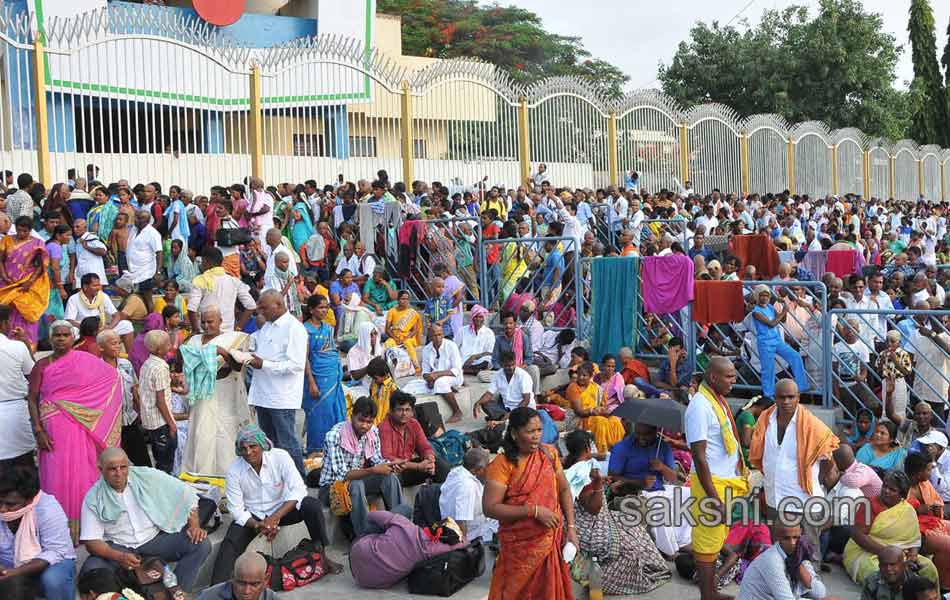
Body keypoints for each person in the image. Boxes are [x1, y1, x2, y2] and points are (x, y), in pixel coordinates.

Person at [28, 320, 122, 541]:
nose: (61, 338)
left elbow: (111, 379)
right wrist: (38, 430)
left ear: (73, 338)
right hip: (52, 432)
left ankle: (87, 529)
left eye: (65, 335)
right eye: (57, 335)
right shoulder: (41, 366)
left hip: (80, 429)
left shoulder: (85, 361)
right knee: (54, 476)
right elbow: (32, 399)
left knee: (82, 473)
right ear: (50, 339)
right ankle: (57, 530)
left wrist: (89, 412)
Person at [210, 425, 340, 584]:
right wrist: (259, 525)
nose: (248, 452)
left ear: (263, 445)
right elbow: (236, 509)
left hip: (283, 510)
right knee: (231, 541)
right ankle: (216, 588)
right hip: (255, 517)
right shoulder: (234, 470)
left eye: (253, 446)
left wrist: (275, 517)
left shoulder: (280, 457)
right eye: (243, 448)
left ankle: (323, 557)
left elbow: (299, 489)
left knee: (311, 506)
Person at [78, 448, 212, 594]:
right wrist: (119, 557)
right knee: (91, 570)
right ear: (100, 469)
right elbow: (92, 542)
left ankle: (177, 594)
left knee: (201, 544)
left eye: (123, 467)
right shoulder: (93, 497)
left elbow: (186, 493)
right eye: (112, 469)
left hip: (155, 541)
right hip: (119, 547)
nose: (119, 473)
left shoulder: (147, 476)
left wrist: (194, 526)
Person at [483, 406, 576, 600]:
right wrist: (533, 511)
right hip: (519, 547)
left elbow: (564, 489)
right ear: (515, 434)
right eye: (530, 431)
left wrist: (572, 528)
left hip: (551, 539)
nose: (536, 436)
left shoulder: (549, 454)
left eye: (539, 430)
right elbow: (490, 508)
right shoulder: (502, 464)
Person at [749, 379, 837, 568]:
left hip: (804, 500)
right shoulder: (766, 418)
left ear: (798, 397)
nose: (786, 401)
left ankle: (811, 591)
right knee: (779, 551)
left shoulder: (812, 424)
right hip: (775, 498)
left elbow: (829, 457)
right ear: (775, 398)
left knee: (809, 552)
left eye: (791, 397)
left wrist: (816, 480)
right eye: (782, 397)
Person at [685, 356, 750, 600]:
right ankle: (708, 596)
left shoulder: (717, 401)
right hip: (711, 486)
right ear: (713, 377)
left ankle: (711, 592)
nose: (733, 381)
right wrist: (714, 499)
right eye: (729, 376)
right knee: (706, 546)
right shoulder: (700, 406)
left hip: (725, 483)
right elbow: (699, 457)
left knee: (715, 542)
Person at [179, 306, 253, 477]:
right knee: (201, 433)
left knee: (224, 434)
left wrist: (223, 354)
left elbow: (237, 366)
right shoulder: (194, 341)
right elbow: (186, 362)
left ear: (220, 321)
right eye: (203, 321)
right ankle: (201, 477)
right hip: (202, 395)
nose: (206, 325)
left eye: (210, 321)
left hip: (224, 393)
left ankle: (229, 478)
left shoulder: (232, 339)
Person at [318, 397, 404, 537]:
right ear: (352, 416)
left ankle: (400, 527)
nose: (364, 425)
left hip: (355, 483)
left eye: (369, 422)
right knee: (356, 485)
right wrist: (372, 470)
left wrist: (390, 465)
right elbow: (342, 475)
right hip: (331, 488)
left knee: (390, 478)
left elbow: (376, 460)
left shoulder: (372, 432)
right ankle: (365, 537)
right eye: (361, 420)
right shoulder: (334, 435)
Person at [245, 290, 308, 476]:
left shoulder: (294, 328)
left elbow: (296, 365)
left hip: (281, 397)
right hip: (263, 395)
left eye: (264, 307)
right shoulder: (267, 327)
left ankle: (299, 485)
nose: (260, 311)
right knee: (269, 443)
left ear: (278, 305)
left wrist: (263, 364)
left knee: (286, 443)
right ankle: (276, 481)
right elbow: (258, 350)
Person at [843, 471, 939, 587]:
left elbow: (914, 538)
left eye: (892, 489)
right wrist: (888, 554)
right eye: (885, 486)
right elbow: (858, 535)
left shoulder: (907, 509)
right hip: (867, 552)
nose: (886, 491)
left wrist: (912, 557)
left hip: (901, 554)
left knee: (928, 568)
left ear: (902, 496)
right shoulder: (869, 505)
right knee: (880, 574)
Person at [0, 467, 76, 600]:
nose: (3, 509)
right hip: (6, 566)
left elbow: (54, 552)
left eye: (10, 504)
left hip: (50, 564)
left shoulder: (48, 509)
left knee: (53, 580)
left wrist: (14, 572)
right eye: (0, 502)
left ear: (29, 500)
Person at [349, 510, 465, 589]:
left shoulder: (403, 524)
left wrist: (390, 519)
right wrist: (458, 536)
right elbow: (464, 543)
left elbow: (371, 515)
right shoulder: (434, 550)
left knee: (403, 509)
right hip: (369, 581)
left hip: (357, 551)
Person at [97, 329, 150, 470]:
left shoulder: (126, 364)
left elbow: (134, 389)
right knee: (113, 464)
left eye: (118, 343)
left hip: (130, 420)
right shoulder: (96, 368)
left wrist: (141, 413)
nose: (118, 346)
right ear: (101, 347)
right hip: (110, 426)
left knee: (143, 463)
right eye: (113, 344)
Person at [737, 521, 830, 600]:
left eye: (796, 537)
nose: (792, 543)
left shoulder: (800, 552)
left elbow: (820, 593)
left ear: (801, 534)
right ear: (777, 538)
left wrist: (799, 565)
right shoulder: (772, 560)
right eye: (786, 538)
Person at [302, 294, 346, 455]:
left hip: (333, 374)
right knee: (319, 413)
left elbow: (332, 350)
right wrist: (311, 382)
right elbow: (304, 358)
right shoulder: (305, 330)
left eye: (326, 307)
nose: (324, 310)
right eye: (321, 307)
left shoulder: (328, 327)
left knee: (335, 410)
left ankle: (335, 446)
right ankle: (316, 448)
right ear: (312, 310)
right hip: (317, 378)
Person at [379, 390, 450, 486]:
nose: (404, 414)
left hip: (409, 468)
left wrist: (429, 459)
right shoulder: (384, 427)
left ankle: (438, 497)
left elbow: (424, 447)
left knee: (441, 467)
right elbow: (388, 458)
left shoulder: (413, 424)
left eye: (407, 410)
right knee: (393, 477)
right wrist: (417, 466)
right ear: (391, 411)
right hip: (393, 471)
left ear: (412, 412)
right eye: (399, 410)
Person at [750, 285, 809, 399]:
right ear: (758, 296)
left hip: (776, 340)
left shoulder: (770, 307)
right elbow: (771, 323)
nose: (765, 298)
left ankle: (802, 386)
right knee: (768, 369)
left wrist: (784, 306)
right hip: (765, 343)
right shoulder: (756, 311)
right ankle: (769, 395)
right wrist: (783, 311)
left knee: (795, 356)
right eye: (762, 295)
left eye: (767, 295)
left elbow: (782, 319)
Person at [0, 216, 50, 342]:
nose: (21, 233)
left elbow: (41, 265)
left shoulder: (37, 243)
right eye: (19, 230)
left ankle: (28, 343)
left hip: (26, 284)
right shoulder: (6, 240)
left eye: (25, 231)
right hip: (7, 283)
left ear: (30, 230)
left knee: (26, 312)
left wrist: (30, 281)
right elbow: (1, 259)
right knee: (6, 310)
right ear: (15, 228)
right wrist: (5, 276)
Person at [902, 452, 950, 579]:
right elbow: (897, 513)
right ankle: (944, 586)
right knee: (947, 545)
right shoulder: (900, 486)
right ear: (919, 473)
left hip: (931, 522)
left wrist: (935, 508)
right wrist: (917, 509)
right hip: (914, 531)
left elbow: (938, 502)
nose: (931, 473)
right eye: (929, 470)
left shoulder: (925, 484)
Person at [186, 247, 256, 333]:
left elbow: (191, 309)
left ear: (206, 262)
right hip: (227, 335)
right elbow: (251, 306)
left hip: (205, 333)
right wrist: (238, 328)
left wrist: (195, 330)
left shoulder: (200, 280)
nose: (201, 264)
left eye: (202, 262)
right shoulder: (234, 281)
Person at [0, 306, 36, 466]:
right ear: (5, 324)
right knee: (23, 469)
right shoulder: (17, 347)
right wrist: (26, 343)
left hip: (15, 410)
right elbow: (34, 374)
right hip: (16, 413)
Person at [137, 330, 177, 474]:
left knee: (159, 458)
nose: (170, 345)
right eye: (167, 344)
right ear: (159, 349)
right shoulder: (160, 368)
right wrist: (172, 424)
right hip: (161, 423)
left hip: (150, 421)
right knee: (166, 463)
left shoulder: (147, 364)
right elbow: (160, 401)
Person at [439, 447, 497, 542]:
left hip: (454, 523)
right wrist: (464, 546)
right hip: (472, 533)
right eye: (488, 466)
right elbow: (461, 520)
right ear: (478, 469)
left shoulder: (457, 471)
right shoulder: (467, 486)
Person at [64, 273, 134, 352]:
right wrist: (86, 328)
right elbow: (69, 320)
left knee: (126, 325)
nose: (98, 288)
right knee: (72, 330)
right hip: (83, 331)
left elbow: (116, 315)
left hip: (101, 329)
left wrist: (109, 327)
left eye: (98, 285)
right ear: (85, 287)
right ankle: (74, 355)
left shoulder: (103, 296)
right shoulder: (74, 299)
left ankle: (131, 356)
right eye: (95, 286)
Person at [566, 361, 624, 454]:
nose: (581, 377)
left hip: (594, 416)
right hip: (578, 419)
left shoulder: (597, 388)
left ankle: (616, 449)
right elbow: (579, 411)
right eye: (579, 375)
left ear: (590, 376)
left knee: (615, 421)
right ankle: (601, 450)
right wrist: (593, 411)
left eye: (584, 375)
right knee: (600, 421)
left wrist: (605, 412)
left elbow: (602, 407)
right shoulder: (573, 387)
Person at [473, 350, 535, 422]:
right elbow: (489, 393)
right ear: (501, 364)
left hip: (522, 409)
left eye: (513, 364)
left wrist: (512, 414)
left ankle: (503, 420)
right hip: (506, 408)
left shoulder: (523, 376)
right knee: (485, 404)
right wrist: (477, 403)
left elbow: (526, 400)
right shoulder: (498, 375)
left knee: (522, 417)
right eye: (507, 366)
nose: (511, 368)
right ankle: (505, 419)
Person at [420, 323, 464, 423]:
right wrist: (428, 379)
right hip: (435, 378)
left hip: (454, 377)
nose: (438, 338)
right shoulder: (426, 349)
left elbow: (456, 370)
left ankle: (457, 411)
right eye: (435, 335)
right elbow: (425, 371)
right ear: (430, 337)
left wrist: (437, 375)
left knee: (441, 382)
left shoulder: (451, 346)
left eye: (440, 334)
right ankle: (448, 390)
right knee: (411, 387)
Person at [123, 211, 163, 314]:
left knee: (147, 298)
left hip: (146, 271)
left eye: (139, 217)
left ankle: (152, 320)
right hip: (133, 271)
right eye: (136, 216)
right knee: (135, 296)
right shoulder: (134, 230)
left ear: (146, 220)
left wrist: (158, 272)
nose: (136, 219)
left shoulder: (153, 233)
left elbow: (159, 252)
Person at [199, 551, 276, 600]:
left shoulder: (272, 598)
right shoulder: (209, 597)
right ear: (232, 577)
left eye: (254, 585)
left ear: (266, 579)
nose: (247, 591)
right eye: (241, 583)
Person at [384, 290, 423, 371]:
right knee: (388, 343)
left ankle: (417, 367)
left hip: (408, 337)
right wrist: (396, 338)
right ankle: (388, 367)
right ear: (398, 300)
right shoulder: (392, 311)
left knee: (407, 343)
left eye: (407, 299)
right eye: (403, 299)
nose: (405, 301)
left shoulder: (412, 313)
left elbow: (415, 330)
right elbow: (387, 329)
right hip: (395, 336)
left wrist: (406, 337)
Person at [346, 320, 382, 394]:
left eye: (375, 334)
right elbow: (355, 376)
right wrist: (371, 365)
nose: (374, 337)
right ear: (364, 336)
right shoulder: (353, 351)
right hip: (362, 383)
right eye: (370, 335)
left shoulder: (378, 348)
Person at [459, 304, 495, 375]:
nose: (478, 319)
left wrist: (474, 357)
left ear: (483, 318)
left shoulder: (489, 332)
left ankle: (467, 370)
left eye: (480, 317)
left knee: (488, 359)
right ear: (472, 317)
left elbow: (490, 352)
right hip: (464, 360)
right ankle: (471, 370)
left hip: (480, 360)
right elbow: (455, 346)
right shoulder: (463, 330)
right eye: (476, 316)